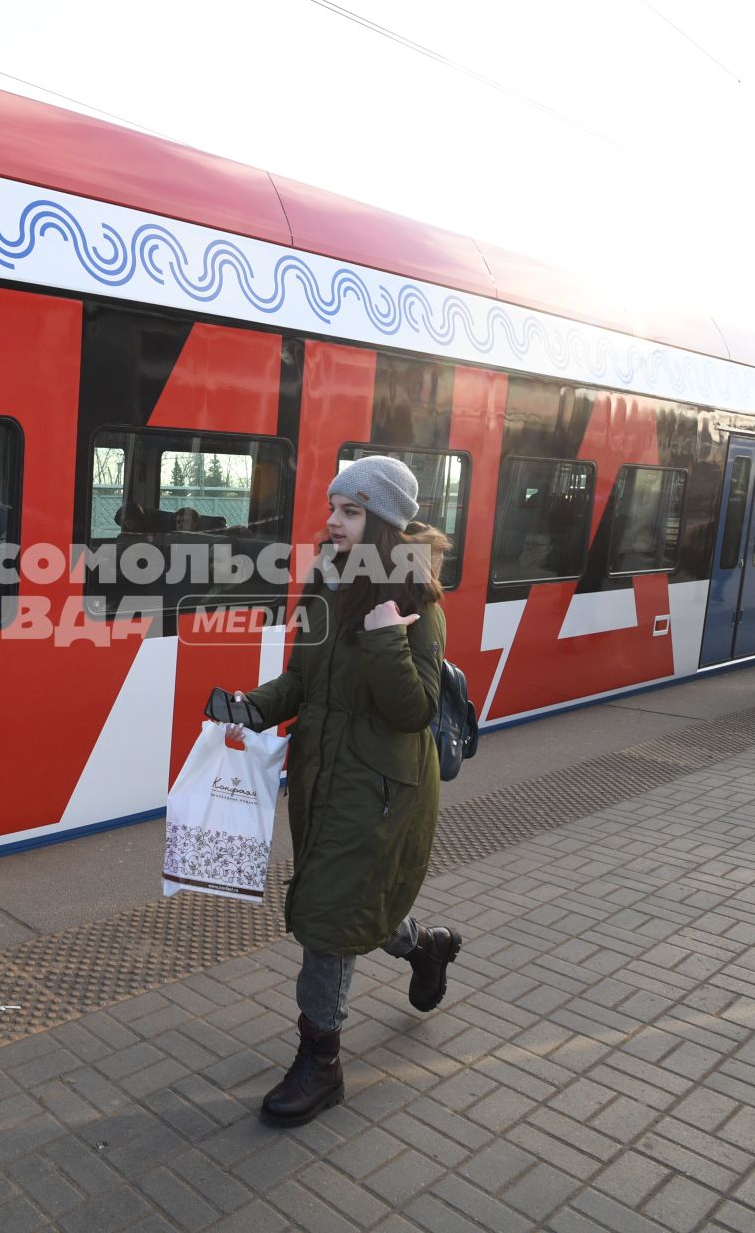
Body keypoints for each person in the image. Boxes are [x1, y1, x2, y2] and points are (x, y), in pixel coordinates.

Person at [228, 455, 461, 1129]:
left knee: (328, 918)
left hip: (383, 790)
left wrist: (388, 635)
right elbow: (301, 679)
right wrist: (249, 709)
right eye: (334, 507)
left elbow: (413, 710)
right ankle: (426, 947)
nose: (332, 521)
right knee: (354, 903)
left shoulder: (417, 600)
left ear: (383, 524)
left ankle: (321, 1062)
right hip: (322, 779)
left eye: (351, 511)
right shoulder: (326, 582)